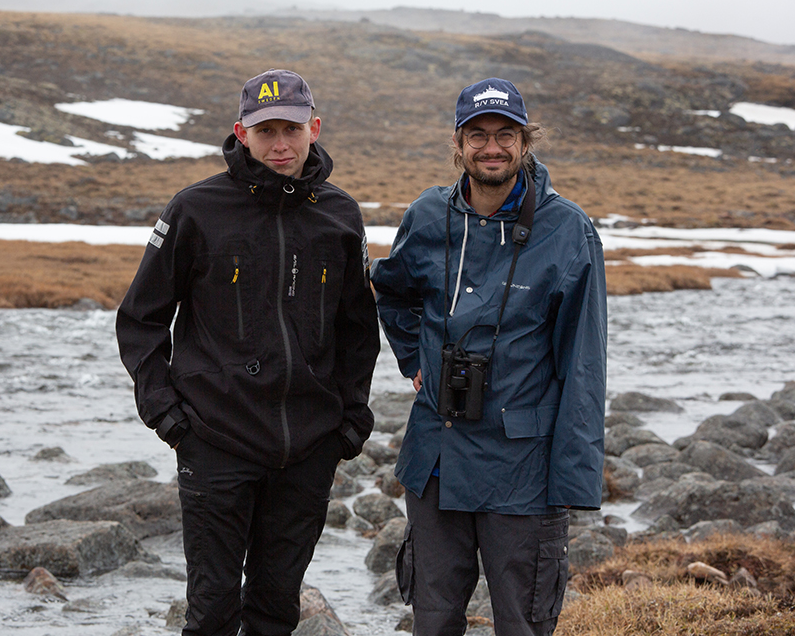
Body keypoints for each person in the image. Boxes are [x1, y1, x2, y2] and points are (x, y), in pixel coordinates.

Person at [116, 69, 380, 636]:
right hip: (216, 440)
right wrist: (167, 415)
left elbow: (359, 329)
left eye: (291, 129)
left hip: (308, 446)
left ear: (314, 128)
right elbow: (141, 319)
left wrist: (350, 419)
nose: (280, 144)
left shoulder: (340, 215)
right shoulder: (195, 209)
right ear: (241, 133)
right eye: (266, 132)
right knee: (211, 611)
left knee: (275, 606)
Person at [369, 78, 607, 636]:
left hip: (521, 473)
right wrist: (414, 359)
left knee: (522, 625)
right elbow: (394, 290)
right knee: (432, 622)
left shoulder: (568, 231)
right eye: (478, 135)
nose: (492, 147)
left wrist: (574, 484)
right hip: (435, 459)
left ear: (526, 142)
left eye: (506, 134)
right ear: (458, 143)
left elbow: (584, 365)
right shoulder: (428, 215)